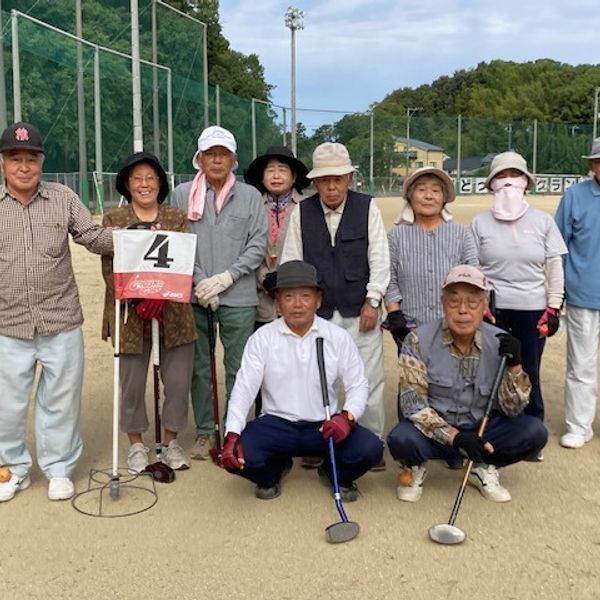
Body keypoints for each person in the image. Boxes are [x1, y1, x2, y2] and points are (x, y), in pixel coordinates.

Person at [0, 121, 113, 503]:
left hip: (60, 320)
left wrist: (140, 237)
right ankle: (12, 470)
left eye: (31, 158)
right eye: (15, 158)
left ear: (41, 162)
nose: (23, 166)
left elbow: (93, 237)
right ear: (3, 164)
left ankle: (59, 468)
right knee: (7, 405)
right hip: (7, 324)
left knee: (61, 400)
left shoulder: (63, 198)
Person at [220, 260, 383, 501]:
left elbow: (357, 384)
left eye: (305, 296)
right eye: (288, 297)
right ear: (277, 304)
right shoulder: (262, 339)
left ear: (318, 300)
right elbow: (243, 390)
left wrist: (347, 418)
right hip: (276, 424)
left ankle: (332, 471)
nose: (297, 304)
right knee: (238, 457)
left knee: (371, 449)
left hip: (324, 425)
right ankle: (274, 471)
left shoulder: (336, 337)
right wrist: (232, 433)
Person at [387, 265, 547, 503]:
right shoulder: (417, 340)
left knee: (534, 432)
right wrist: (455, 437)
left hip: (481, 429)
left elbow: (512, 408)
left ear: (484, 307)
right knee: (401, 439)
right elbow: (413, 406)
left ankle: (483, 465)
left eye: (473, 303)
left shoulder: (500, 341)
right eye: (454, 302)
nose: (463, 310)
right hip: (435, 431)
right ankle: (415, 467)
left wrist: (515, 367)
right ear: (443, 304)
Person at [280, 142, 390, 469]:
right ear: (315, 182)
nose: (331, 186)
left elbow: (380, 259)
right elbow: (291, 262)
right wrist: (297, 307)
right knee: (315, 380)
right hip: (317, 313)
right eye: (325, 179)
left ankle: (371, 442)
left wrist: (373, 300)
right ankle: (316, 441)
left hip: (361, 310)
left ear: (349, 179)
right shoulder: (301, 212)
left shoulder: (367, 208)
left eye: (338, 179)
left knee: (367, 379)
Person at [171, 126, 267, 460]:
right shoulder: (182, 194)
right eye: (210, 154)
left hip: (239, 294)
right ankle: (203, 431)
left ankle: (234, 429)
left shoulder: (251, 196)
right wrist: (200, 282)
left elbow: (258, 243)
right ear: (199, 158)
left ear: (233, 159)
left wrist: (227, 277)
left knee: (239, 366)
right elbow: (178, 240)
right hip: (194, 294)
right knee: (199, 365)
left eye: (223, 154)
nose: (216, 160)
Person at [101, 152, 197, 473]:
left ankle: (170, 441)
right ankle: (137, 445)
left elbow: (182, 261)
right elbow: (109, 267)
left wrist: (160, 293)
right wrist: (138, 296)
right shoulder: (114, 220)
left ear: (160, 183)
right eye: (137, 178)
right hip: (129, 315)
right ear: (128, 185)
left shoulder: (176, 217)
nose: (144, 184)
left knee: (178, 381)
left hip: (173, 314)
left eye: (151, 178)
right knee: (130, 383)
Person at [471, 151, 567, 435]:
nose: (508, 182)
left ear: (526, 182)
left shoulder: (543, 221)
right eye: (501, 176)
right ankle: (494, 426)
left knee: (529, 368)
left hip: (533, 308)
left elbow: (554, 266)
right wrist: (481, 303)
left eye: (515, 175)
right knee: (491, 369)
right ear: (491, 184)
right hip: (493, 309)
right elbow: (473, 267)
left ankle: (532, 424)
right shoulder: (479, 223)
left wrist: (553, 308)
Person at [384, 166, 478, 349]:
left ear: (444, 198)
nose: (429, 196)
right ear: (410, 196)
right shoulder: (395, 236)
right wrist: (395, 315)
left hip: (453, 324)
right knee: (413, 377)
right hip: (410, 324)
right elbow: (389, 279)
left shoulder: (461, 234)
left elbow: (473, 276)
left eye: (436, 190)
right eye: (421, 190)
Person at [555, 138, 600, 449]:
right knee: (581, 365)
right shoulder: (574, 196)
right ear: (591, 164)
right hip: (584, 294)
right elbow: (558, 248)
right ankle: (579, 425)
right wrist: (558, 294)